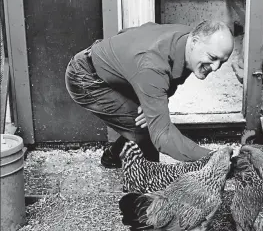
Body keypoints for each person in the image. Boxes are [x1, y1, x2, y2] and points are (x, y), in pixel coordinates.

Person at [65, 20, 234, 168]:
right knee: (147, 132)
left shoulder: (186, 40)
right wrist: (213, 158)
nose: (216, 67)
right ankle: (146, 192)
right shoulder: (152, 66)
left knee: (147, 118)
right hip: (86, 78)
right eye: (212, 57)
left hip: (121, 70)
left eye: (222, 61)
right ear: (195, 42)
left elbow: (133, 32)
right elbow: (162, 137)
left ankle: (113, 156)